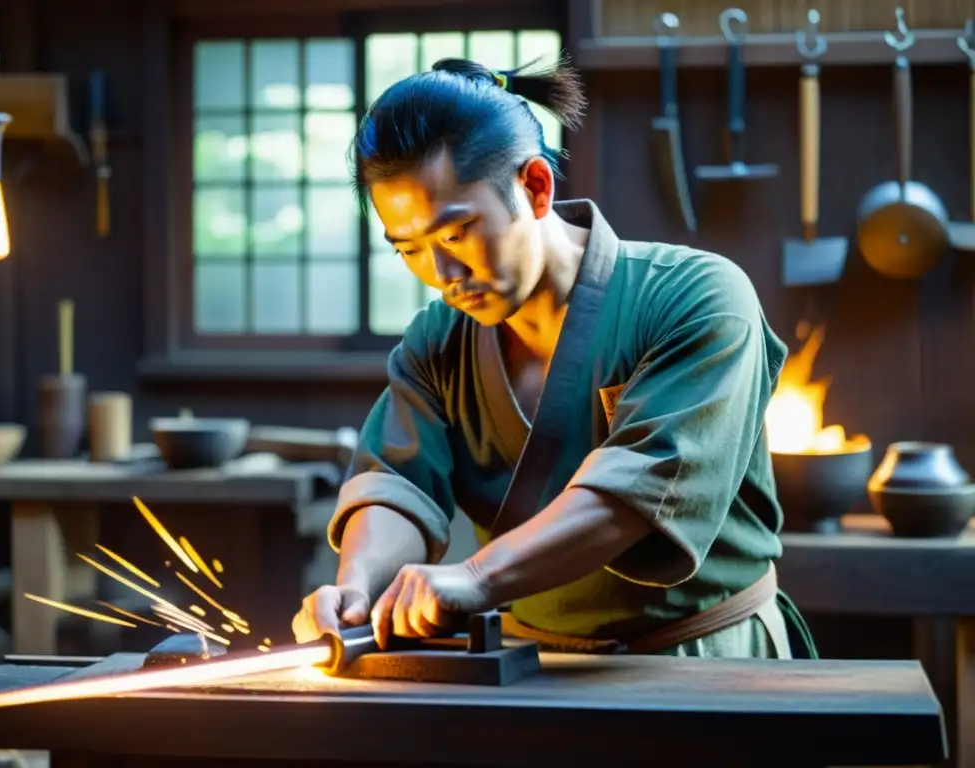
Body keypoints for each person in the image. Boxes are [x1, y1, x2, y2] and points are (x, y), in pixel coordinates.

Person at [291, 56, 817, 659]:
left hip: (705, 659)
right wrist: (356, 586)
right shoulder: (436, 342)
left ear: (535, 187)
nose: (442, 275)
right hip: (530, 665)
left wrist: (478, 578)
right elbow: (396, 482)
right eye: (409, 249)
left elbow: (636, 494)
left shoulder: (697, 297)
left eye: (456, 235)